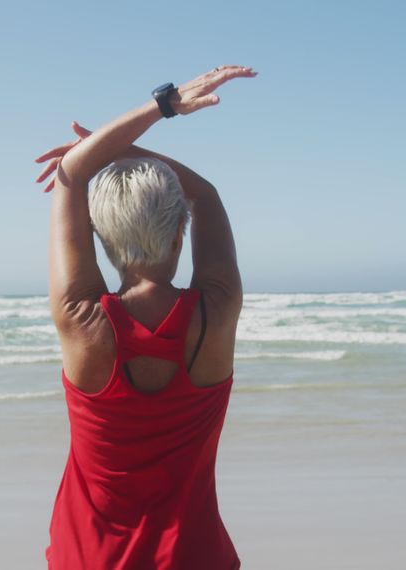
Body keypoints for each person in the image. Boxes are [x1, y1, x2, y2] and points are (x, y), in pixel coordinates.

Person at [34, 65, 256, 569]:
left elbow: (71, 174)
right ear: (182, 232)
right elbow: (205, 194)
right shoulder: (216, 310)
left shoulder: (81, 321)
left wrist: (155, 112)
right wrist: (135, 142)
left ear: (100, 240)